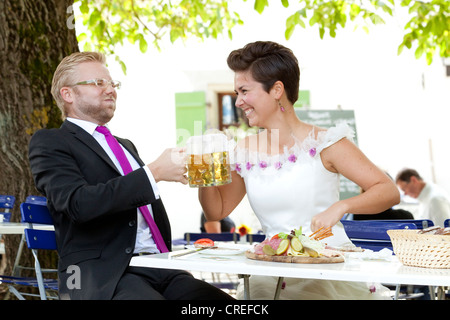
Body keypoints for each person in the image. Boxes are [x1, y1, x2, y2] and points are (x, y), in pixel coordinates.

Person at [199, 41, 400, 300]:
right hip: (271, 268)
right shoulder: (244, 149)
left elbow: (388, 191)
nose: (238, 102)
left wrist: (340, 207)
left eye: (244, 91)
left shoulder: (326, 142)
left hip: (325, 267)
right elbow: (217, 211)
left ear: (276, 90)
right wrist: (203, 174)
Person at [28, 52, 233, 300]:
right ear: (67, 94)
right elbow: (78, 204)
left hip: (162, 265)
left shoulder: (125, 145)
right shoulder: (51, 142)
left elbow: (136, 192)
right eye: (98, 83)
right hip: (105, 274)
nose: (110, 90)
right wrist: (154, 172)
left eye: (112, 84)